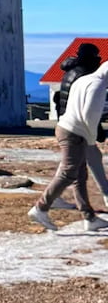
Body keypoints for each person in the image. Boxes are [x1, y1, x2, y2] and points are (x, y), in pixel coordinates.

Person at [29, 58, 108, 232]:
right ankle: (41, 207)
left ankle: (89, 218)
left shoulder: (83, 79)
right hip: (75, 133)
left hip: (66, 127)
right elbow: (90, 117)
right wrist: (90, 139)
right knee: (68, 173)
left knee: (79, 176)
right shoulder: (98, 85)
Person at [52, 43, 108, 207]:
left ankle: (55, 200)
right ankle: (48, 202)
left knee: (73, 163)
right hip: (77, 127)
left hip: (67, 122)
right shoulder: (84, 75)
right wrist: (96, 130)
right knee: (85, 162)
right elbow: (86, 109)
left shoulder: (71, 71)